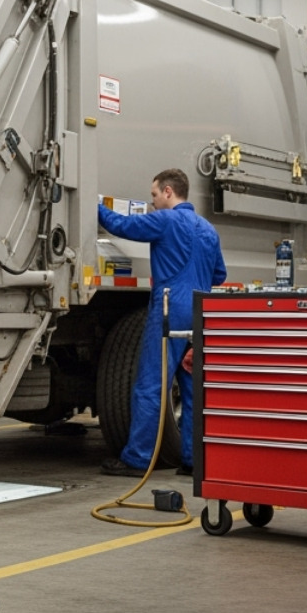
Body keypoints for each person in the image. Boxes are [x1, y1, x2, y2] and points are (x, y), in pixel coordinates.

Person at [96, 168, 226, 478]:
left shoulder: (166, 220)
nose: (152, 202)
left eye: (154, 195)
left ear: (169, 192)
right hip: (200, 310)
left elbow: (119, 225)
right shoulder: (208, 229)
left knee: (152, 385)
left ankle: (138, 458)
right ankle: (193, 459)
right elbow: (219, 275)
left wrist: (93, 204)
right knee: (194, 389)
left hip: (170, 308)